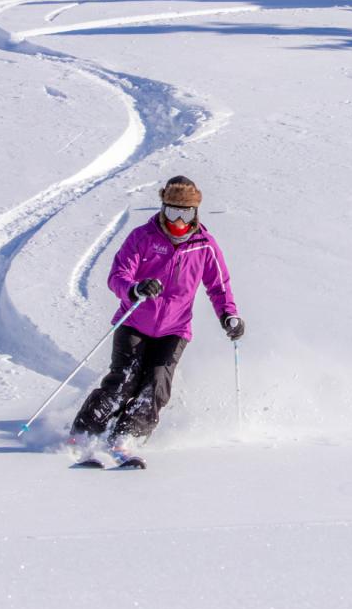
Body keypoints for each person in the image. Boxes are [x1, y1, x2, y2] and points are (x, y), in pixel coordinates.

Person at [70, 175, 244, 449]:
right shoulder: (143, 237)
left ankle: (127, 437)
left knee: (156, 386)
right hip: (134, 322)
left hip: (174, 330)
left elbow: (219, 286)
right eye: (172, 211)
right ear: (162, 208)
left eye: (185, 213)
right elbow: (118, 274)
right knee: (123, 381)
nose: (178, 221)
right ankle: (84, 432)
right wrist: (135, 289)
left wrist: (228, 315)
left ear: (195, 212)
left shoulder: (204, 245)